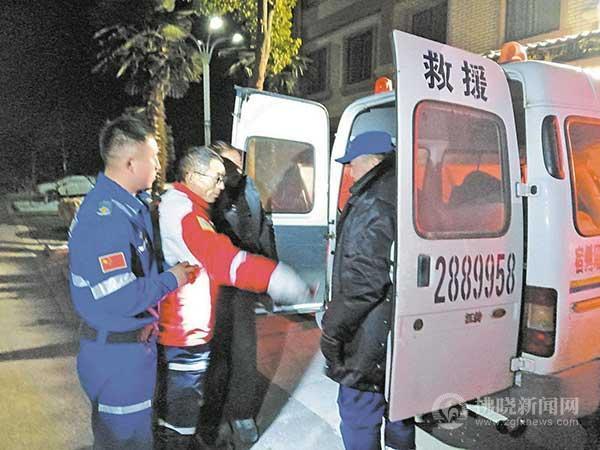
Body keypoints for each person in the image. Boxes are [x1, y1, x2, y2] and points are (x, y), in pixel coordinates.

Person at [155, 146, 311, 450]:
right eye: (216, 178)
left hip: (192, 322)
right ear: (192, 176)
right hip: (185, 328)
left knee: (189, 398)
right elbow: (222, 260)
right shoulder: (186, 212)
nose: (222, 184)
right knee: (183, 407)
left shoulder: (188, 204)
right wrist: (276, 278)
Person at [68, 114, 197, 449]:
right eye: (152, 157)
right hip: (119, 361)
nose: (158, 165)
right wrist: (172, 279)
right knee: (129, 442)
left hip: (124, 351)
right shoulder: (107, 218)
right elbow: (120, 297)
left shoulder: (124, 207)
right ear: (130, 162)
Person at [320, 131, 415, 450]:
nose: (350, 171)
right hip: (400, 332)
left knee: (359, 415)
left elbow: (363, 282)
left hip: (369, 338)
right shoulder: (406, 189)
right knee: (400, 411)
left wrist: (333, 330)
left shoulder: (372, 201)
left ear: (373, 161)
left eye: (353, 163)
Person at [197, 141, 277, 446]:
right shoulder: (206, 197)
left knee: (244, 353)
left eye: (240, 165)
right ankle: (212, 421)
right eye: (231, 166)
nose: (237, 171)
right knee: (216, 357)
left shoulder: (250, 190)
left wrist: (268, 277)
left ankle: (242, 415)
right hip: (214, 287)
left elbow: (263, 231)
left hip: (243, 285)